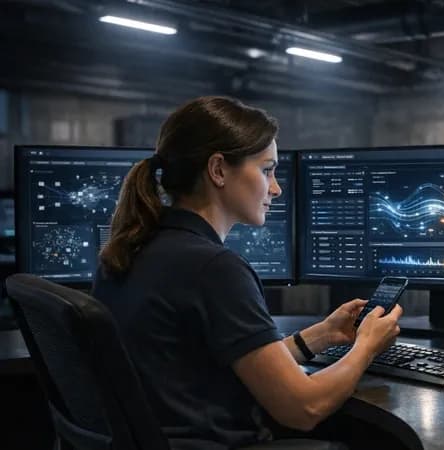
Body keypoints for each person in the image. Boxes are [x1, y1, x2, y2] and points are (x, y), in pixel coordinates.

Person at [92, 96, 402, 449]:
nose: (276, 187)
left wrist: (322, 335)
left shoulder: (130, 250)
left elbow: (218, 366)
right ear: (219, 170)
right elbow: (303, 407)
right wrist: (367, 346)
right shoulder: (213, 269)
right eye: (267, 169)